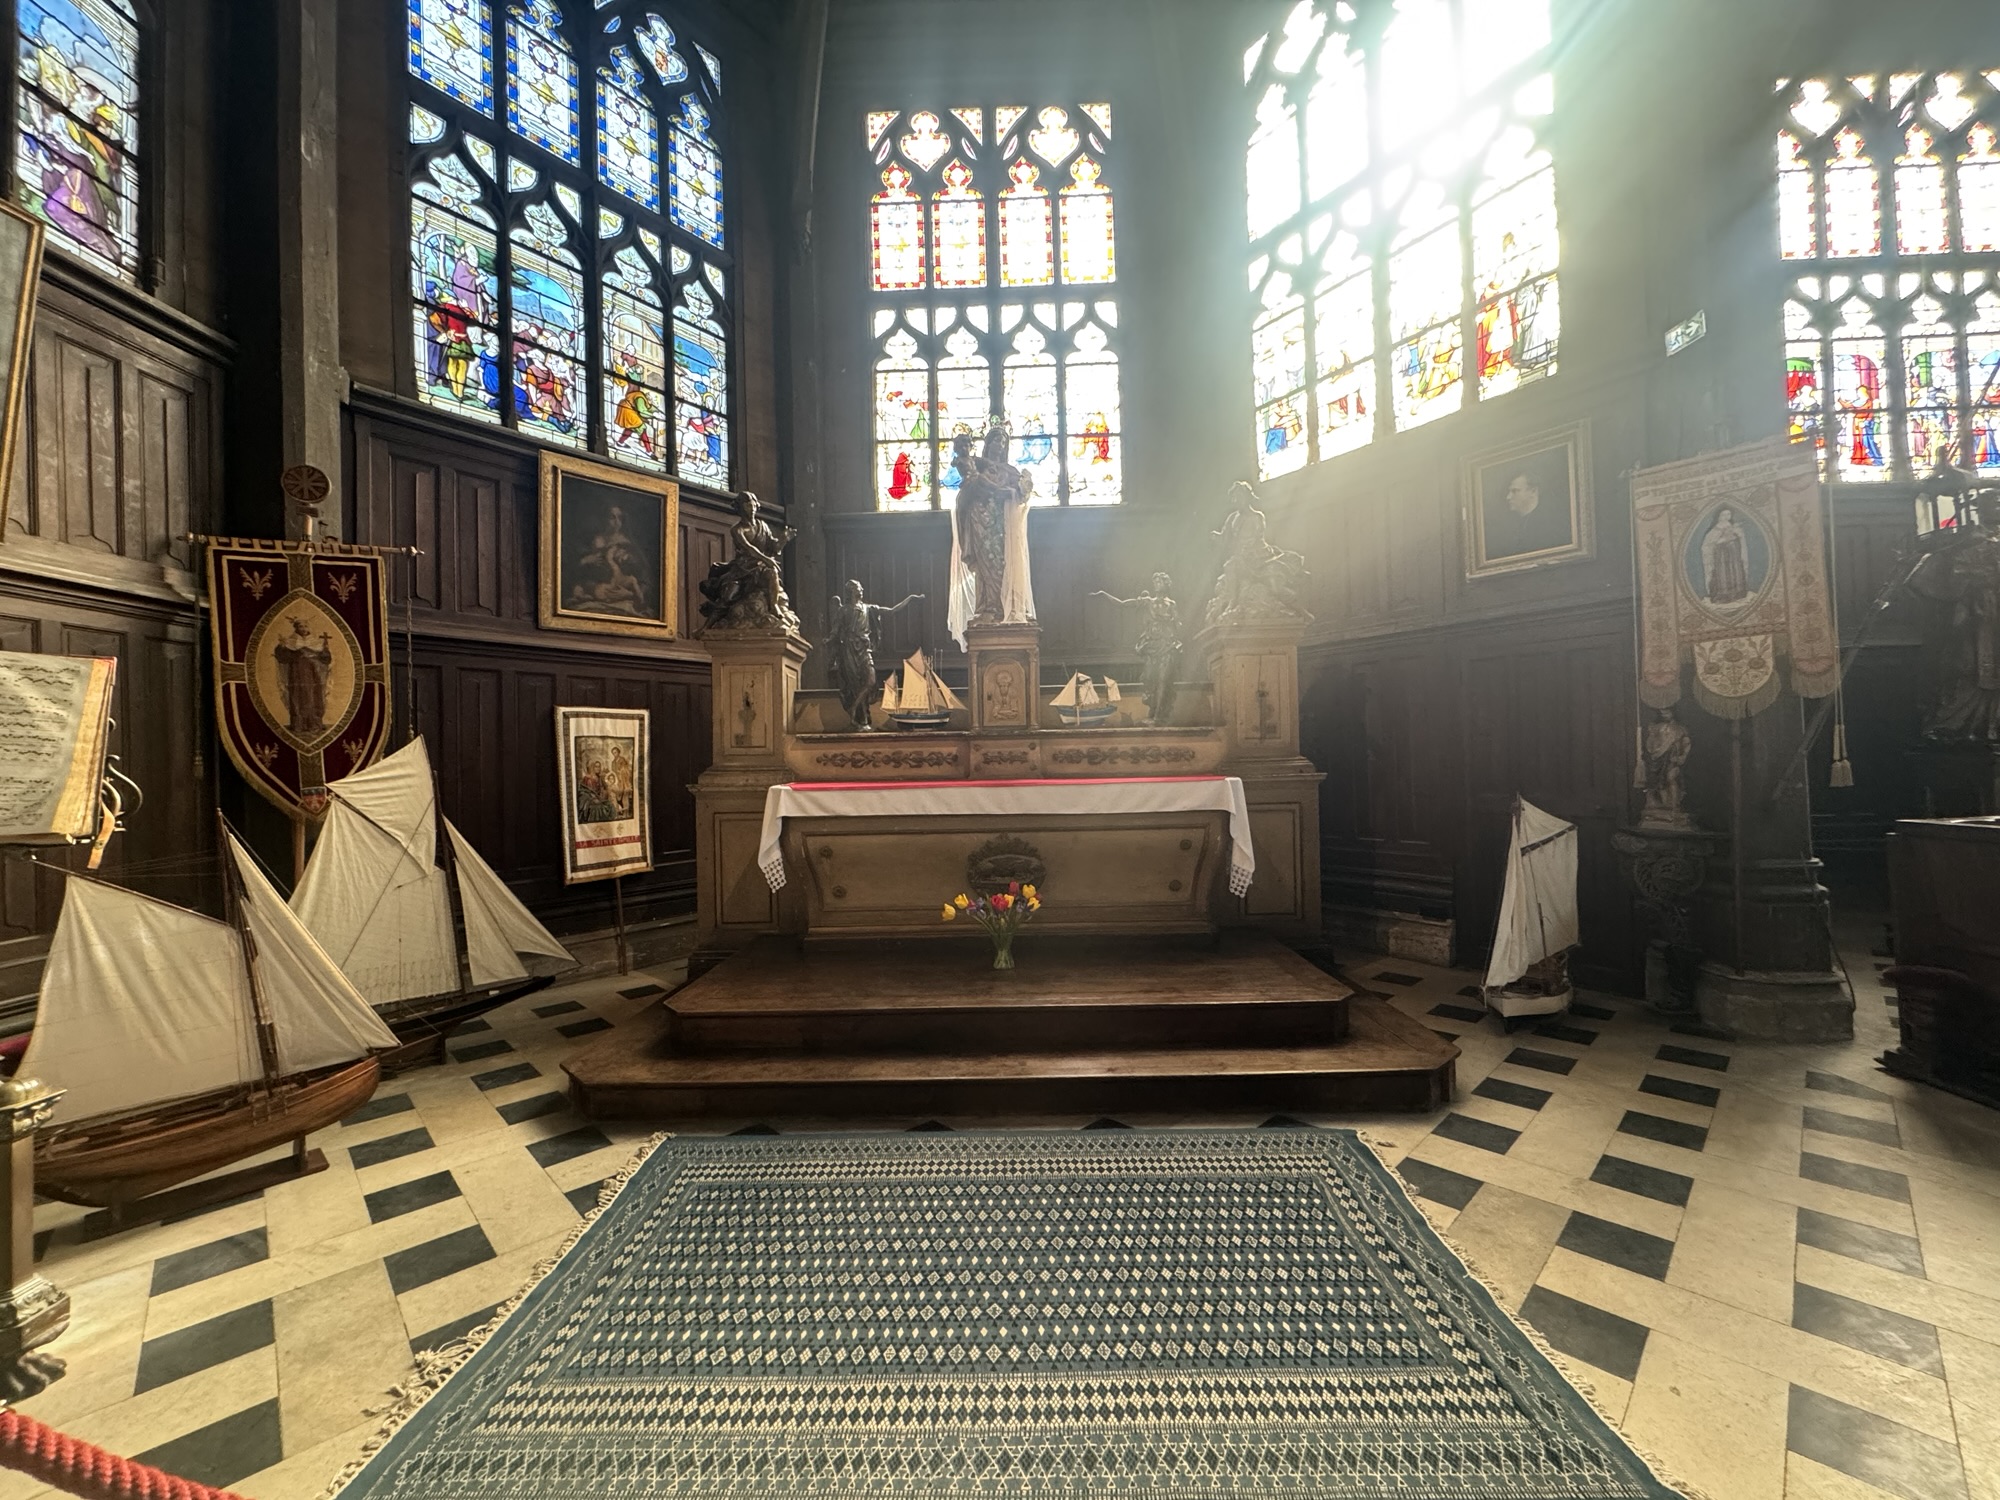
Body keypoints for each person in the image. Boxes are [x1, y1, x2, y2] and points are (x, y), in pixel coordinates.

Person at [826, 580, 923, 729]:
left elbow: (891, 611)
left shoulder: (869, 608)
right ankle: (861, 720)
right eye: (858, 588)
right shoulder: (843, 610)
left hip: (864, 649)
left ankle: (853, 708)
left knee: (870, 681)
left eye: (861, 587)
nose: (861, 589)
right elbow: (835, 631)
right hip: (849, 650)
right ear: (851, 591)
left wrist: (909, 599)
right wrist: (829, 640)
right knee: (854, 685)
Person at [1482, 470, 1572, 560]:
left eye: (1515, 491)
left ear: (1533, 491)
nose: (1508, 497)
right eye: (1509, 492)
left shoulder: (1550, 524)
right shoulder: (1509, 527)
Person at [1700, 508, 1752, 606]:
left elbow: (1739, 539)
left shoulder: (1732, 526)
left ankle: (1738, 594)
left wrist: (1738, 535)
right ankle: (1723, 597)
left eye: (1728, 514)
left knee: (1736, 571)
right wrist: (1723, 539)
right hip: (1721, 556)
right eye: (1724, 515)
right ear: (1719, 516)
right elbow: (1709, 544)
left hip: (1734, 554)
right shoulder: (1715, 529)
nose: (1726, 517)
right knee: (1723, 573)